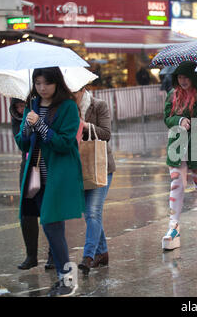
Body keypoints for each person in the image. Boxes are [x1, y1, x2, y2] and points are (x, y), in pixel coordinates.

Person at [15, 67, 85, 296]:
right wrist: (27, 125)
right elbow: (23, 143)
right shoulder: (32, 105)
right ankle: (64, 277)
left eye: (46, 83)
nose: (42, 88)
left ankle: (66, 278)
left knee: (50, 224)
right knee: (53, 226)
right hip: (36, 177)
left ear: (57, 83)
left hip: (58, 176)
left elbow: (65, 143)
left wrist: (41, 126)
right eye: (37, 83)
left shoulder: (67, 107)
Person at [162, 61, 197, 251]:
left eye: (186, 76)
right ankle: (173, 226)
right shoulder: (173, 94)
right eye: (179, 77)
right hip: (177, 145)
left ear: (193, 77)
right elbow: (166, 118)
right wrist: (179, 120)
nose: (183, 80)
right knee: (176, 183)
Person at [73, 86, 116, 274]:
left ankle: (88, 256)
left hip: (101, 167)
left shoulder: (99, 105)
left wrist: (85, 126)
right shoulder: (66, 108)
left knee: (92, 212)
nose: (71, 95)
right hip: (79, 167)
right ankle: (102, 253)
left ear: (83, 89)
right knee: (90, 214)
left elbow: (106, 134)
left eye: (74, 91)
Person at [10, 97, 54, 270]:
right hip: (29, 166)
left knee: (50, 211)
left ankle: (53, 253)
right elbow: (22, 143)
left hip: (48, 164)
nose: (21, 110)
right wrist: (27, 126)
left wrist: (38, 123)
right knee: (27, 212)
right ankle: (31, 255)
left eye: (23, 106)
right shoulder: (18, 117)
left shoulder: (44, 107)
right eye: (17, 107)